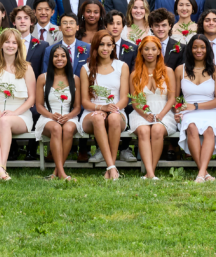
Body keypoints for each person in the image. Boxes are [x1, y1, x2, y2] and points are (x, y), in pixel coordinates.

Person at [0, 29, 37, 181]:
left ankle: (2, 168)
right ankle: (0, 170)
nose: (10, 45)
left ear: (19, 46)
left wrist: (13, 113)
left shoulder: (27, 68)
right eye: (7, 42)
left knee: (5, 121)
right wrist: (0, 114)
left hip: (20, 114)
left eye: (14, 42)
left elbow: (31, 98)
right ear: (1, 45)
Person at [174, 35, 216, 183]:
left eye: (202, 47)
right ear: (190, 49)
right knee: (191, 127)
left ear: (208, 49)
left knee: (210, 129)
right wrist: (177, 112)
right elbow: (175, 98)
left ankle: (201, 173)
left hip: (211, 110)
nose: (199, 50)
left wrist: (196, 106)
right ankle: (204, 173)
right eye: (195, 47)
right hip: (188, 111)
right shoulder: (180, 70)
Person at [79, 31, 129, 181]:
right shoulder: (86, 69)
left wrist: (113, 108)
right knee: (98, 118)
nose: (105, 48)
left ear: (114, 47)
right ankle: (112, 168)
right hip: (93, 112)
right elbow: (85, 102)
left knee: (113, 118)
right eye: (101, 44)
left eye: (109, 44)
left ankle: (110, 166)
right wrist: (101, 108)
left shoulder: (122, 66)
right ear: (95, 46)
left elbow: (125, 98)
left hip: (116, 110)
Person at [128, 35, 179, 180]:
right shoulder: (134, 75)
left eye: (153, 49)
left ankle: (151, 170)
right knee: (144, 130)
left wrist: (161, 115)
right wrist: (145, 114)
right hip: (141, 112)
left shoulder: (168, 71)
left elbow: (172, 98)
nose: (150, 52)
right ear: (141, 52)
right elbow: (135, 101)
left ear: (158, 51)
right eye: (146, 49)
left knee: (157, 129)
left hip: (164, 110)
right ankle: (149, 173)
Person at [35, 44, 82, 180]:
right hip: (48, 116)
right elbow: (39, 106)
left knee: (67, 129)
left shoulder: (75, 79)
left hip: (69, 116)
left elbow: (77, 107)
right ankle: (62, 173)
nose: (59, 59)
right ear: (51, 59)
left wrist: (68, 116)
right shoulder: (42, 78)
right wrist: (51, 115)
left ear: (68, 58)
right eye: (56, 56)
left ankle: (56, 172)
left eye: (63, 56)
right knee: (56, 128)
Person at [10, 6, 49, 77]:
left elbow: (44, 73)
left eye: (26, 18)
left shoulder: (42, 46)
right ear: (14, 22)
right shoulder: (7, 44)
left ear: (32, 22)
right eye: (19, 18)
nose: (22, 21)